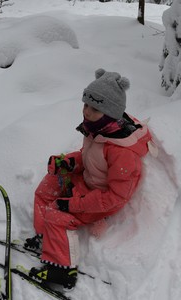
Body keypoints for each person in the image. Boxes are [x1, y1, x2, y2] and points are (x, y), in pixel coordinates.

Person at [26, 68, 154, 290]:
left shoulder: (123, 152)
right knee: (48, 187)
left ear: (109, 112)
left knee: (58, 215)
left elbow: (116, 197)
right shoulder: (98, 129)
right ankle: (45, 237)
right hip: (86, 181)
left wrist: (73, 204)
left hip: (100, 200)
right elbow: (90, 158)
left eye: (95, 108)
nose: (87, 112)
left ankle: (62, 270)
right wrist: (69, 163)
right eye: (86, 104)